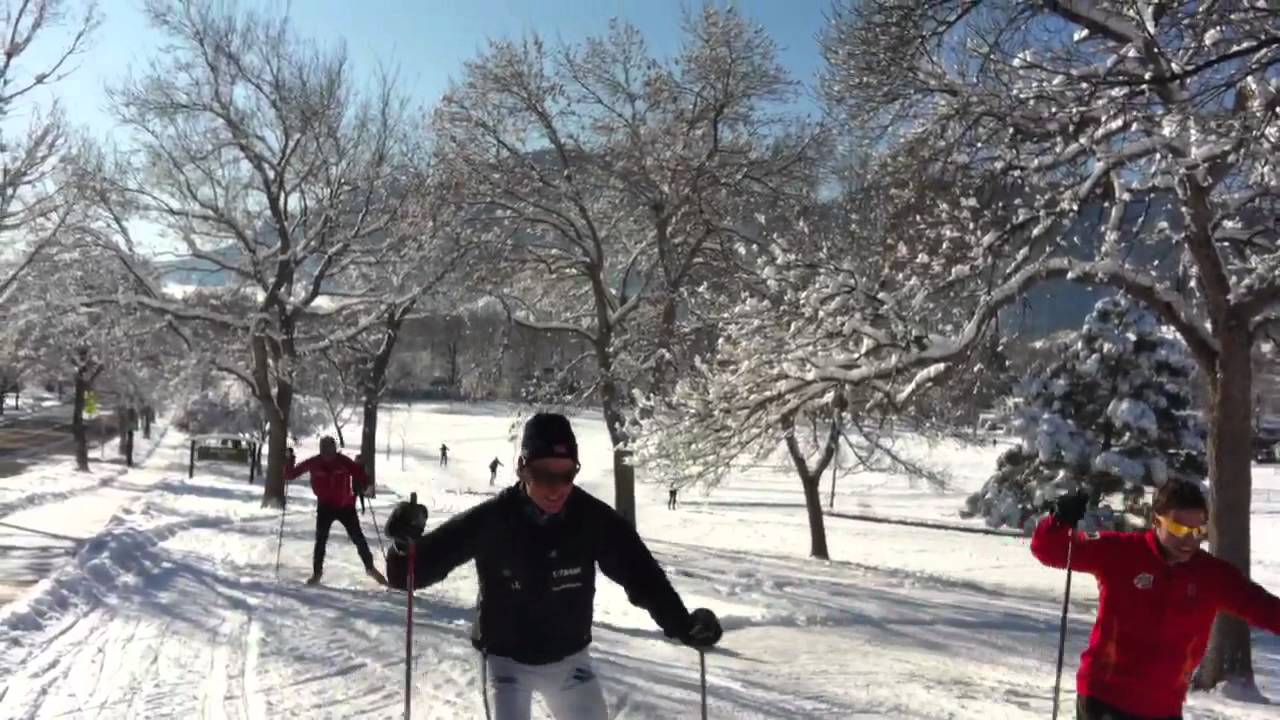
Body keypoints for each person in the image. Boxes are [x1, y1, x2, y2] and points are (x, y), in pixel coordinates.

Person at [384, 413, 722, 720]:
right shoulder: (492, 521)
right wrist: (402, 545)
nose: (556, 488)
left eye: (567, 475)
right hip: (505, 664)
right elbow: (411, 572)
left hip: (570, 661)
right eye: (544, 475)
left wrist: (682, 624)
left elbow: (641, 575)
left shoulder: (591, 519)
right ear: (522, 468)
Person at [1031, 480, 1280, 720]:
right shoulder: (1121, 552)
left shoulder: (1211, 575)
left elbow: (1260, 606)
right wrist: (1058, 519)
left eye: (1198, 531)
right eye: (1178, 529)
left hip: (1163, 706)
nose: (1189, 539)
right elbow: (1049, 550)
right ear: (1155, 521)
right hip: (1106, 696)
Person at [287, 436, 387, 586]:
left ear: (335, 449)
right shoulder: (314, 462)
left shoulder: (343, 461)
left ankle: (370, 568)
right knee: (320, 540)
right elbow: (290, 475)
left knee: (358, 538)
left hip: (345, 506)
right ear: (321, 450)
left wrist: (363, 475)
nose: (328, 454)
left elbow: (363, 477)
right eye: (325, 450)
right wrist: (289, 460)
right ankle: (317, 573)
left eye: (330, 450)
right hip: (325, 506)